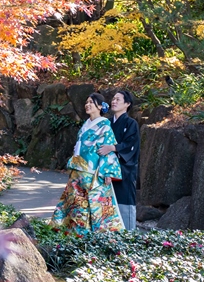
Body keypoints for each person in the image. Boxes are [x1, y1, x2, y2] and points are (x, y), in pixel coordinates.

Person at [50, 92, 125, 233]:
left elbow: (108, 150)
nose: (87, 104)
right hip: (77, 170)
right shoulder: (86, 125)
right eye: (86, 102)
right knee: (74, 202)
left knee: (93, 205)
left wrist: (108, 172)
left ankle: (87, 236)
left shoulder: (105, 126)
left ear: (100, 106)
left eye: (91, 102)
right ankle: (72, 232)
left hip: (93, 172)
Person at [98, 89, 140, 231]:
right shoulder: (107, 123)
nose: (113, 101)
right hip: (105, 170)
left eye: (118, 99)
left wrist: (113, 148)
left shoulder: (131, 123)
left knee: (123, 203)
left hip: (124, 170)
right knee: (105, 204)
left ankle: (128, 236)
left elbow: (131, 146)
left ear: (127, 104)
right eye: (113, 99)